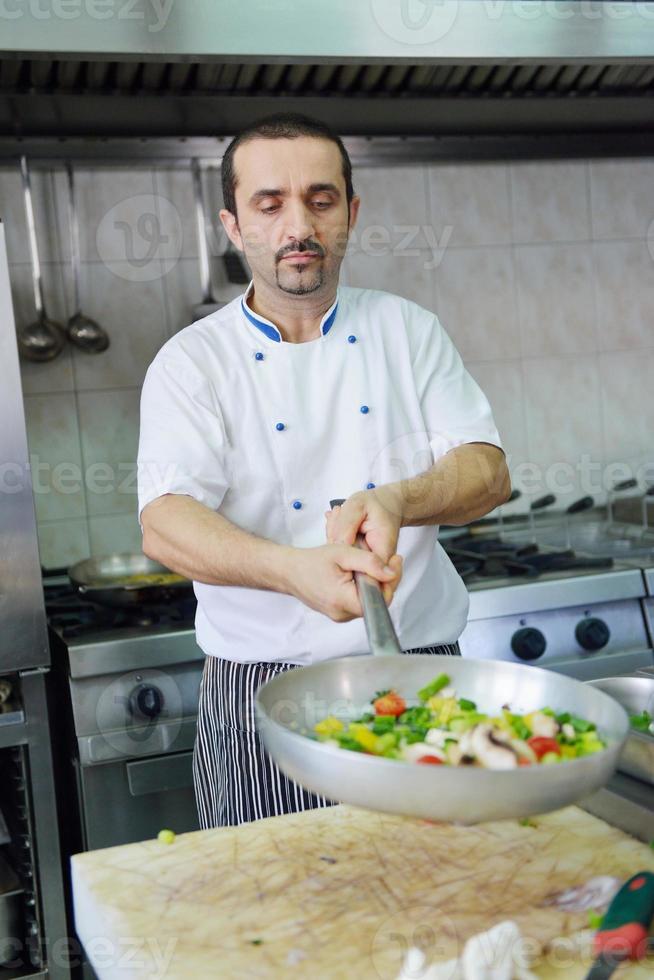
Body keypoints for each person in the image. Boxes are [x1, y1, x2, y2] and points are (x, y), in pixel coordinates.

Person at [137, 113, 511, 828]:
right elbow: (166, 524)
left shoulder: (410, 331)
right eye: (269, 203)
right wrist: (294, 571)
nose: (297, 224)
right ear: (233, 224)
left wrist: (401, 497)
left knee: (443, 895)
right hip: (263, 693)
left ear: (351, 214)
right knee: (277, 911)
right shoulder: (192, 363)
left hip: (420, 668)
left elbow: (486, 473)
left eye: (321, 198)